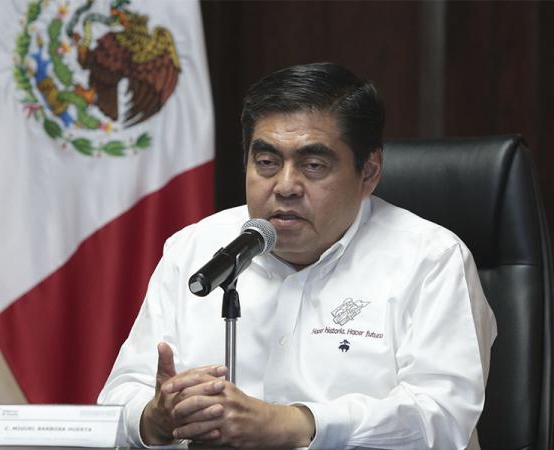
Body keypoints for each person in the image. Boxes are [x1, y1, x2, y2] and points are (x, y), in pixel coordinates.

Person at [98, 62, 497, 450]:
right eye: (267, 163)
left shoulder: (431, 260)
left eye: (314, 165)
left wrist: (294, 424)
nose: (285, 186)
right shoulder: (196, 249)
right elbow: (118, 399)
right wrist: (155, 418)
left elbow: (442, 420)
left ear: (369, 172)